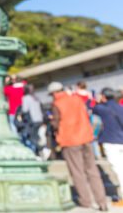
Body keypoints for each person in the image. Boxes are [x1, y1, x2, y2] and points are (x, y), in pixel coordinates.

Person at [49, 81, 108, 211]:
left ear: (53, 93)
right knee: (92, 171)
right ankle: (102, 201)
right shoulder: (76, 99)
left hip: (70, 140)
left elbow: (56, 124)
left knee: (77, 172)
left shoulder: (57, 104)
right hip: (86, 137)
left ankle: (86, 201)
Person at [93, 87, 123, 207]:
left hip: (111, 142)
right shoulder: (119, 107)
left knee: (119, 169)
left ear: (104, 96)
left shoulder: (102, 109)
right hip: (121, 140)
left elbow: (92, 108)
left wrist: (97, 100)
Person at [21, 84, 44, 155]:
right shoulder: (36, 97)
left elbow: (25, 110)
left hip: (32, 120)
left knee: (32, 137)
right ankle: (39, 152)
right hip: (40, 119)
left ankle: (42, 149)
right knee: (36, 136)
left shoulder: (26, 98)